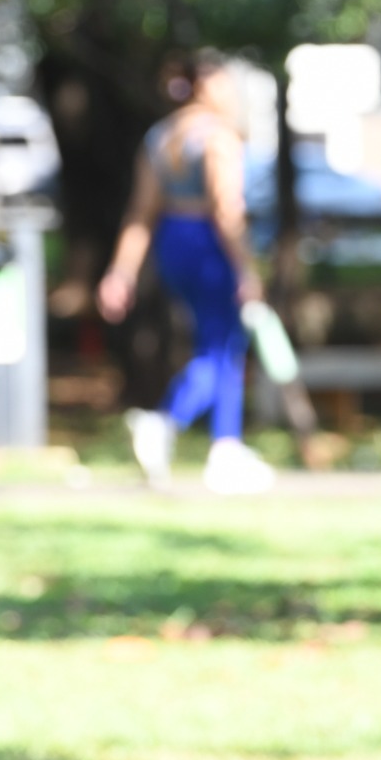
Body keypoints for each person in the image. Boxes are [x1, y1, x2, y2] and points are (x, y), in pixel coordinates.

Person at [97, 52, 275, 496]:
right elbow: (226, 209)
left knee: (221, 345)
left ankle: (226, 447)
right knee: (220, 348)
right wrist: (247, 269)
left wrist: (121, 272)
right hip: (209, 244)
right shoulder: (217, 137)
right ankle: (167, 422)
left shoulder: (161, 137)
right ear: (207, 86)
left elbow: (141, 212)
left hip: (172, 243)